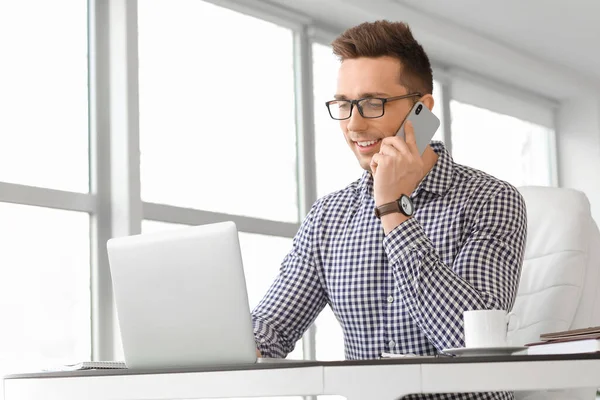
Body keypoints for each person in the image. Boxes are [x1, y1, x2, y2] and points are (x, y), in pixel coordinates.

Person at [252, 20, 527, 400]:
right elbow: (272, 327)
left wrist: (393, 210)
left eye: (372, 103)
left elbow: (472, 346)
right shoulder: (329, 216)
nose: (354, 124)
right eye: (344, 105)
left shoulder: (489, 199)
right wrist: (241, 344)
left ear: (422, 109)